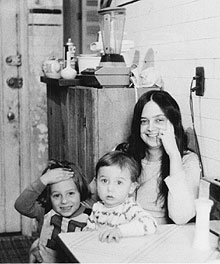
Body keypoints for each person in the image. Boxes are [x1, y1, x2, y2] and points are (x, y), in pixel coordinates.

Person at [116, 89, 201, 225]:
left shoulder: (188, 161)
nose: (150, 128)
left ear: (173, 124)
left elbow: (181, 217)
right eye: (144, 121)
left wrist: (173, 155)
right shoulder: (124, 153)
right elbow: (93, 194)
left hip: (160, 238)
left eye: (159, 120)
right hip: (122, 233)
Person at [14, 159, 92, 263]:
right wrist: (44, 180)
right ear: (49, 197)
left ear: (80, 192)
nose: (64, 201)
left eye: (70, 193)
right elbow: (21, 205)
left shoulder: (91, 216)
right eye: (56, 195)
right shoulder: (46, 211)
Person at [85, 150, 157, 243]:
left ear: (131, 187)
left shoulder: (128, 208)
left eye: (119, 182)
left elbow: (151, 223)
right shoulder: (97, 208)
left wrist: (120, 231)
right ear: (96, 183)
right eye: (104, 181)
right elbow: (89, 233)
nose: (110, 188)